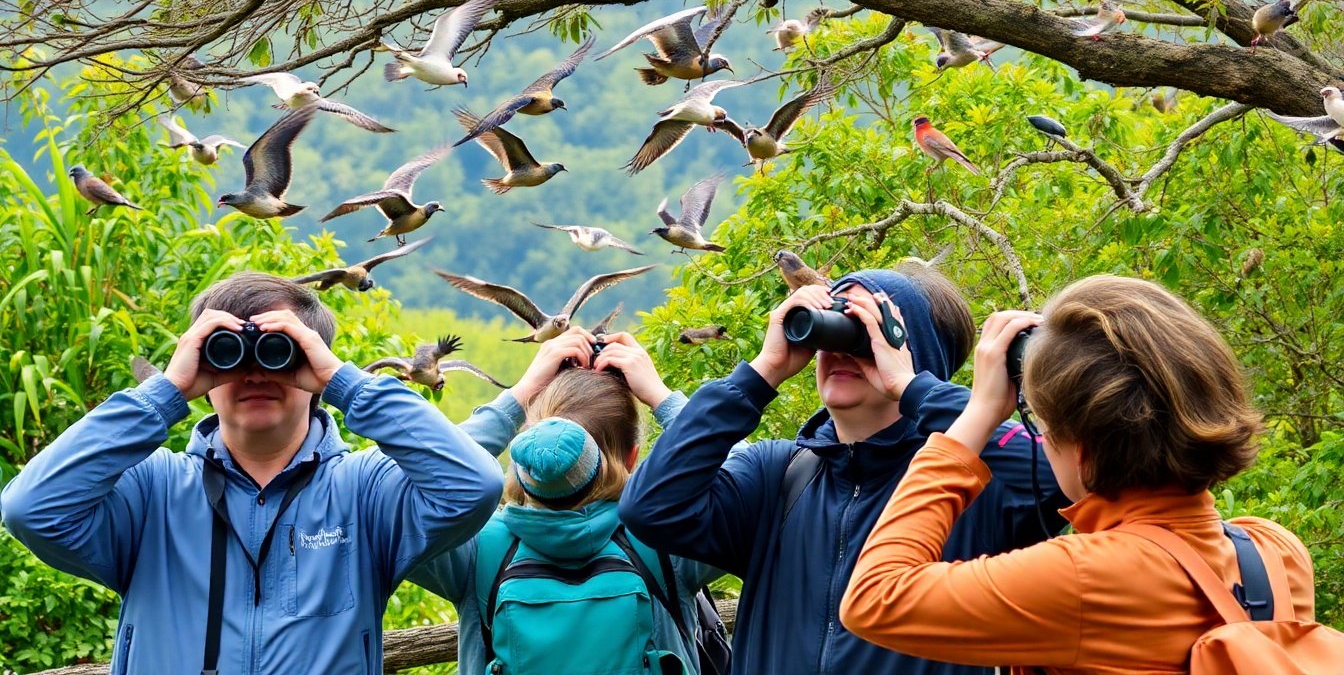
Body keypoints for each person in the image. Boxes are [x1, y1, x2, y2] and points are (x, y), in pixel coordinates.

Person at [0, 272, 504, 674]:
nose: (255, 372)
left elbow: (473, 487)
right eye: (227, 352)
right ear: (197, 359)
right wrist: (163, 395)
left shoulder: (365, 491)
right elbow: (30, 508)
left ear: (313, 359)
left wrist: (343, 383)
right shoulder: (150, 489)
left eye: (280, 352)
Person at [840, 274, 1317, 671]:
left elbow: (874, 598)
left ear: (1082, 451)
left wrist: (980, 412)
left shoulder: (1083, 575)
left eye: (1044, 431)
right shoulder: (1274, 550)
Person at [620, 261, 1067, 674]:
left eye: (867, 332)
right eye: (833, 325)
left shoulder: (970, 482)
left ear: (919, 355)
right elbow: (650, 508)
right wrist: (761, 372)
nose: (840, 349)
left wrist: (913, 389)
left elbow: (1062, 474)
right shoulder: (778, 474)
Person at [410, 327, 721, 674]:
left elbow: (395, 489)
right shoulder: (665, 538)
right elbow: (748, 482)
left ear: (524, 454)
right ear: (632, 458)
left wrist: (517, 396)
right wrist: (662, 397)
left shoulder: (476, 550)